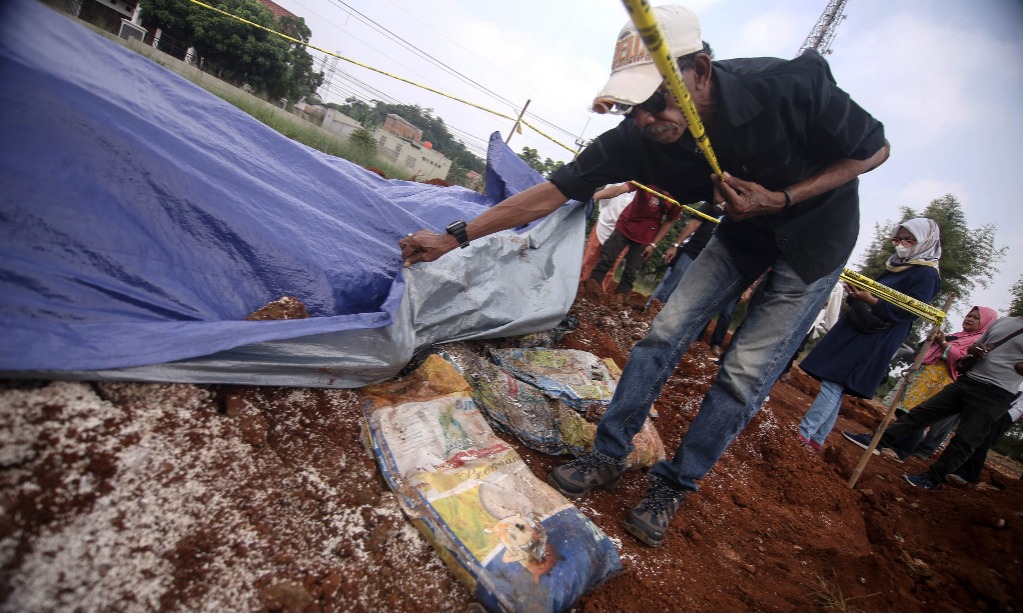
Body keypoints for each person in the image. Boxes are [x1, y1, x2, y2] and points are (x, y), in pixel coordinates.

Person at [400, 4, 889, 547]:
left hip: (816, 241)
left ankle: (672, 489)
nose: (643, 120)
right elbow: (556, 190)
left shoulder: (788, 84)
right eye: (631, 107)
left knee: (743, 375)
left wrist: (784, 197)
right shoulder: (638, 139)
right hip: (741, 235)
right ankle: (608, 454)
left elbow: (875, 149)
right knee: (661, 336)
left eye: (655, 101)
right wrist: (456, 235)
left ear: (700, 72)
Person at [797, 219, 942, 451]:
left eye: (908, 239)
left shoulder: (926, 275)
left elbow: (907, 312)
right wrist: (857, 293)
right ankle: (816, 438)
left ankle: (803, 433)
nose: (901, 244)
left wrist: (870, 300)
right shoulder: (899, 264)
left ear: (925, 241)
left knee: (835, 381)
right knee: (836, 384)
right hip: (861, 326)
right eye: (898, 238)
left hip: (875, 335)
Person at [843, 315, 1023, 490]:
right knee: (922, 413)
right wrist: (975, 350)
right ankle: (877, 442)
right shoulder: (1004, 322)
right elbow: (974, 346)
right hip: (968, 380)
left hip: (997, 392)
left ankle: (933, 478)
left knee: (965, 439)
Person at [885, 305, 998, 460]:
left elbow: (961, 360)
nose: (969, 319)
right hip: (925, 376)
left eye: (976, 317)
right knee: (904, 409)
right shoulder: (959, 335)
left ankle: (902, 449)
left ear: (986, 323)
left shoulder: (977, 344)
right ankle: (897, 443)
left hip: (939, 380)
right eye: (969, 315)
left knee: (917, 414)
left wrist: (943, 343)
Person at [586, 182, 681, 305]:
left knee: (630, 273)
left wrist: (653, 244)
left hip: (645, 236)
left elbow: (669, 221)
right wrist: (596, 196)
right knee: (606, 260)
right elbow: (620, 189)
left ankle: (617, 305)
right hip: (625, 226)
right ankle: (588, 295)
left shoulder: (680, 196)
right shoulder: (649, 179)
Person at [645, 199, 719, 308]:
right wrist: (675, 245)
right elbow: (693, 224)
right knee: (670, 285)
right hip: (692, 252)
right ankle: (650, 310)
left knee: (688, 295)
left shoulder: (740, 214)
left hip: (711, 261)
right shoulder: (712, 204)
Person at [948, 384, 1022, 485]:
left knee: (983, 442)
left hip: (1007, 410)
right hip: (1004, 409)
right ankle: (959, 470)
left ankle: (968, 475)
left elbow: (1015, 394)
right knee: (976, 438)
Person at [580, 184, 633, 291]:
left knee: (610, 267)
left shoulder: (644, 191)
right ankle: (579, 287)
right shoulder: (617, 182)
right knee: (589, 259)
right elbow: (604, 201)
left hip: (624, 234)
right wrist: (605, 215)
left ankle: (597, 293)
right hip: (604, 225)